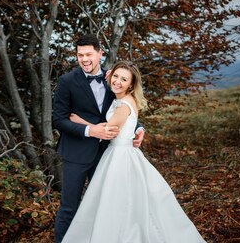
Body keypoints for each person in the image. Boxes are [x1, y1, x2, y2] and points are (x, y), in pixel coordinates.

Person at [62, 60, 206, 243]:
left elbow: (109, 131)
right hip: (117, 153)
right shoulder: (120, 99)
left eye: (124, 79)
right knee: (119, 201)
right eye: (115, 76)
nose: (117, 82)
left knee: (119, 202)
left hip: (121, 157)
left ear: (131, 84)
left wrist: (81, 122)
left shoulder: (124, 104)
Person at [53, 35, 145, 243]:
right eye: (80, 55)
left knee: (105, 206)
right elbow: (59, 120)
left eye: (89, 54)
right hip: (76, 154)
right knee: (69, 208)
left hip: (107, 156)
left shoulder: (112, 79)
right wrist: (90, 131)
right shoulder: (67, 81)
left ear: (100, 53)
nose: (84, 59)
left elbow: (122, 109)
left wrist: (139, 129)